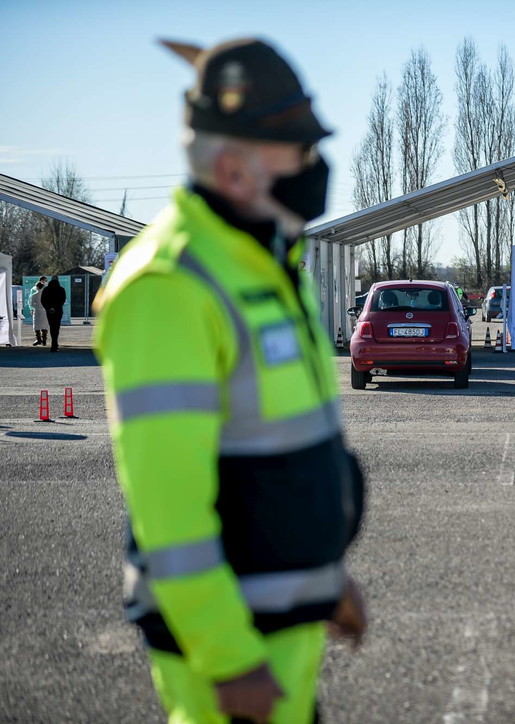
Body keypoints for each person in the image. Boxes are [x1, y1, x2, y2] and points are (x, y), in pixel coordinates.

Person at [94, 37, 367, 724]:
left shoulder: (268, 263)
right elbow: (169, 511)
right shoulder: (170, 283)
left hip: (284, 625)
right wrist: (225, 656)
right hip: (230, 654)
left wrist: (327, 580)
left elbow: (285, 446)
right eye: (297, 151)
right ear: (230, 164)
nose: (315, 166)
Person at [40, 276, 66, 352]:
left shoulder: (46, 289)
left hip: (49, 311)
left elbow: (43, 300)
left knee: (52, 326)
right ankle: (55, 343)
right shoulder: (61, 289)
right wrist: (55, 307)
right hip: (58, 310)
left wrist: (49, 308)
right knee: (56, 327)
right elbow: (62, 300)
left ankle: (53, 343)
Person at [30, 280, 48, 346]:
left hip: (37, 311)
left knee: (37, 326)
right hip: (45, 311)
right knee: (44, 325)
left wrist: (37, 306)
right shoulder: (46, 294)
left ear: (37, 287)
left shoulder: (34, 295)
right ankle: (44, 340)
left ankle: (38, 339)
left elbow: (31, 304)